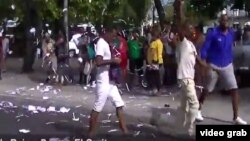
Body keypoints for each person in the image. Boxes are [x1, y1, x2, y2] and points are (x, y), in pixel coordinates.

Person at [197, 14, 247, 125]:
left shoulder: (231, 33)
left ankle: (236, 117)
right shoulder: (213, 34)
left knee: (234, 90)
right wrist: (204, 63)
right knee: (207, 90)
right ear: (220, 21)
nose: (225, 22)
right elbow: (205, 49)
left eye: (227, 20)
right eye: (223, 20)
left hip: (227, 65)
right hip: (213, 65)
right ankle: (198, 109)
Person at [87, 27, 128, 138]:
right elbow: (98, 62)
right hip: (103, 81)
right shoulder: (101, 43)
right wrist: (113, 60)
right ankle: (90, 133)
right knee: (98, 106)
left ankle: (125, 130)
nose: (114, 38)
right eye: (113, 35)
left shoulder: (107, 44)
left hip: (110, 81)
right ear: (107, 32)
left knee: (119, 104)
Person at [146, 28, 163, 95]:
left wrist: (150, 62)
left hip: (154, 61)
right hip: (160, 60)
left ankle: (154, 89)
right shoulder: (160, 42)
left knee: (150, 75)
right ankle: (158, 89)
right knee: (157, 75)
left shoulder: (154, 43)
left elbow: (152, 53)